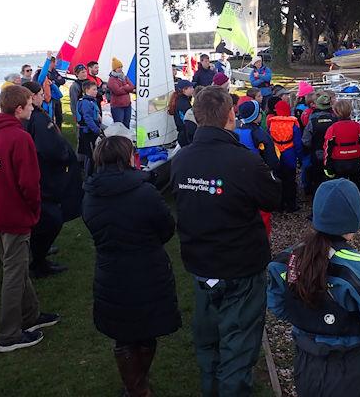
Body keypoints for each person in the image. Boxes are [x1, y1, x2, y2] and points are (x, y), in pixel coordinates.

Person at [171, 86, 281, 395]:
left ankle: (213, 388)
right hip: (239, 269)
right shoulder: (243, 161)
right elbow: (272, 197)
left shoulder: (181, 160)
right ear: (230, 116)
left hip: (202, 264)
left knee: (209, 342)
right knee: (238, 347)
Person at [267, 179, 360, 396]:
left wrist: (310, 321)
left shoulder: (287, 260)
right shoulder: (357, 269)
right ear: (354, 220)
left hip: (307, 369)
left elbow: (277, 305)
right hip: (353, 373)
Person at [0, 85, 60, 352]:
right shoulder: (19, 138)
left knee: (16, 264)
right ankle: (9, 335)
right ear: (18, 109)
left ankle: (30, 316)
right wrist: (32, 210)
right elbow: (30, 184)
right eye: (29, 103)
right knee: (14, 272)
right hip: (13, 215)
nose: (32, 107)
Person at [83, 136, 181, 397]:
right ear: (127, 158)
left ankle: (136, 385)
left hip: (113, 271)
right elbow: (166, 227)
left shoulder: (91, 194)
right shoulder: (145, 192)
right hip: (146, 270)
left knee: (126, 334)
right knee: (143, 333)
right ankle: (138, 389)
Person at [22, 81, 76, 278]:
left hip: (41, 175)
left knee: (44, 218)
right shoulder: (35, 119)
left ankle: (38, 253)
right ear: (33, 96)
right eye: (39, 93)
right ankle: (38, 260)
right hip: (45, 176)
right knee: (52, 218)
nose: (42, 95)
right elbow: (49, 148)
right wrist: (63, 157)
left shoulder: (33, 116)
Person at [234, 99, 278, 234]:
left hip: (238, 173)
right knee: (262, 211)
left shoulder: (235, 130)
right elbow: (271, 158)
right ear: (255, 116)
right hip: (257, 173)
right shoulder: (259, 133)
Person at [324, 100, 360, 193]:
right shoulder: (357, 126)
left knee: (340, 186)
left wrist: (327, 165)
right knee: (356, 182)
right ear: (350, 111)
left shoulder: (333, 128)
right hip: (355, 160)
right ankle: (356, 198)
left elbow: (327, 148)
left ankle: (342, 201)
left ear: (335, 112)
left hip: (339, 162)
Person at [267, 100, 304, 212]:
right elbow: (298, 144)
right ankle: (291, 205)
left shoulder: (271, 123)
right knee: (290, 181)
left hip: (276, 154)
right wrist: (300, 158)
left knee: (278, 180)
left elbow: (269, 140)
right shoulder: (293, 124)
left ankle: (279, 205)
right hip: (289, 154)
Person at [302, 93, 337, 194]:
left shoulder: (312, 121)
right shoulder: (335, 120)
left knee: (317, 180)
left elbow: (305, 140)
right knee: (332, 177)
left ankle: (317, 198)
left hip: (317, 154)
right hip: (332, 154)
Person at [77, 80, 103, 176]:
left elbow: (94, 113)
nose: (96, 91)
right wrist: (97, 130)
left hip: (91, 131)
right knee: (90, 154)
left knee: (91, 154)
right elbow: (87, 118)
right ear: (87, 90)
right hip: (88, 132)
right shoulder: (86, 102)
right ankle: (88, 175)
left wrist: (99, 117)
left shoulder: (91, 101)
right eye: (94, 89)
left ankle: (90, 172)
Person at [108, 57, 136, 128]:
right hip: (117, 106)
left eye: (121, 67)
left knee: (127, 124)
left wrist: (123, 88)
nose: (120, 69)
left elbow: (132, 86)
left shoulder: (124, 77)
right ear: (114, 69)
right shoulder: (112, 79)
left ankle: (126, 138)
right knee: (119, 125)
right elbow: (117, 91)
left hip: (127, 105)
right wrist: (126, 87)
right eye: (118, 67)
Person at [169, 79, 195, 147]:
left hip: (183, 134)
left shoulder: (180, 100)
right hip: (186, 136)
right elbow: (186, 121)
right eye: (191, 87)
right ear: (184, 90)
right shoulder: (183, 103)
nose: (193, 89)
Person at [47, 57, 67, 128]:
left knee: (59, 116)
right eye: (55, 62)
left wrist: (54, 81)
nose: (56, 64)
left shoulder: (54, 71)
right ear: (51, 63)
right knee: (51, 116)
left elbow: (63, 81)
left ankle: (59, 132)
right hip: (50, 97)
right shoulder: (45, 72)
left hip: (57, 97)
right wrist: (57, 80)